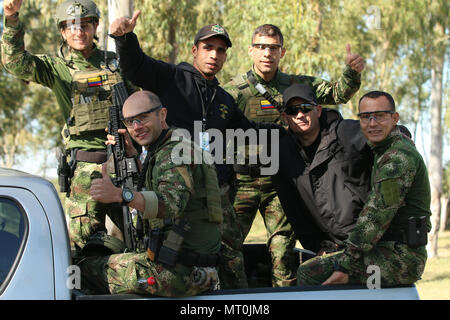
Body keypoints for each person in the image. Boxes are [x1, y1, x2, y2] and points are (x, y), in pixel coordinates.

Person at [108, 13, 279, 290]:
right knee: (175, 265)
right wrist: (125, 39)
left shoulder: (223, 98)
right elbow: (135, 67)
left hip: (217, 194)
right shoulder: (171, 78)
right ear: (194, 50)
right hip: (176, 189)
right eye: (208, 48)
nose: (214, 55)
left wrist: (292, 126)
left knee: (231, 261)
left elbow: (248, 129)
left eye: (221, 50)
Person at [223, 24, 365, 286]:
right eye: (261, 47)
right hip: (241, 183)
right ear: (250, 51)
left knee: (283, 254)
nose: (267, 53)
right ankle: (238, 299)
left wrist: (351, 73)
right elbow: (211, 123)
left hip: (281, 183)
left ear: (282, 52)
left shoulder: (297, 85)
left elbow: (336, 93)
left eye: (274, 48)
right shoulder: (233, 91)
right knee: (229, 250)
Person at [1, 0, 138, 254]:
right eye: (71, 26)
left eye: (85, 25)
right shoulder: (58, 69)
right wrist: (11, 18)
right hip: (86, 171)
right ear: (63, 32)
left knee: (143, 238)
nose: (78, 31)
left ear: (95, 26)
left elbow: (142, 103)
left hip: (126, 165)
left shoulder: (117, 63)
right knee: (85, 250)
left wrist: (128, 42)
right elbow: (14, 62)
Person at [81, 90, 222, 296]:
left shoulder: (174, 152)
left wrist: (121, 195)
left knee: (83, 270)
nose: (136, 127)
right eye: (130, 122)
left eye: (143, 118)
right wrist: (134, 158)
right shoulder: (169, 147)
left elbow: (171, 204)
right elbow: (163, 181)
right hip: (185, 263)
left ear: (162, 114)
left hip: (178, 272)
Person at [296, 90, 431, 287]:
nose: (373, 123)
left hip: (403, 259)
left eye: (380, 116)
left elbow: (376, 217)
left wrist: (345, 265)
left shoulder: (397, 158)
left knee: (311, 272)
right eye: (366, 117)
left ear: (394, 118)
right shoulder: (382, 149)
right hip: (387, 248)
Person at [272, 83, 373, 256]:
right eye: (292, 111)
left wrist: (402, 136)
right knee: (309, 276)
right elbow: (294, 211)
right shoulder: (283, 156)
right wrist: (316, 246)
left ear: (318, 110)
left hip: (368, 238)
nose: (300, 115)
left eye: (306, 108)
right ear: (285, 117)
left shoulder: (344, 132)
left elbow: (381, 133)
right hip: (332, 247)